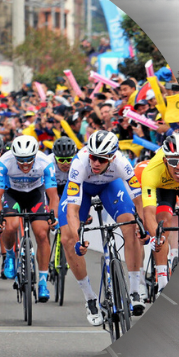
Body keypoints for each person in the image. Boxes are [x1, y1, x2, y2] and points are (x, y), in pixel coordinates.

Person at [59, 130, 147, 325]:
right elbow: (72, 211)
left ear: (112, 157)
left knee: (132, 226)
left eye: (102, 159)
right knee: (67, 238)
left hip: (109, 186)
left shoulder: (122, 163)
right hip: (83, 188)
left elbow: (138, 200)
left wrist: (143, 226)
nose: (96, 163)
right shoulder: (79, 163)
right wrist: (79, 239)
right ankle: (90, 298)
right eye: (93, 157)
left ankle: (134, 291)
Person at [0, 135, 58, 300]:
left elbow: (53, 196)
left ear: (35, 155)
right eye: (21, 160)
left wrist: (54, 217)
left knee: (42, 234)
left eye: (29, 159)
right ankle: (9, 256)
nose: (25, 164)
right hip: (12, 194)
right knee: (10, 226)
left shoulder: (45, 162)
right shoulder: (4, 162)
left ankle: (42, 283)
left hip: (36, 194)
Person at [138, 133, 179, 289]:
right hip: (165, 188)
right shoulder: (152, 170)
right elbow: (148, 213)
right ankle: (162, 282)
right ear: (165, 160)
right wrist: (157, 238)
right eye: (173, 161)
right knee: (162, 224)